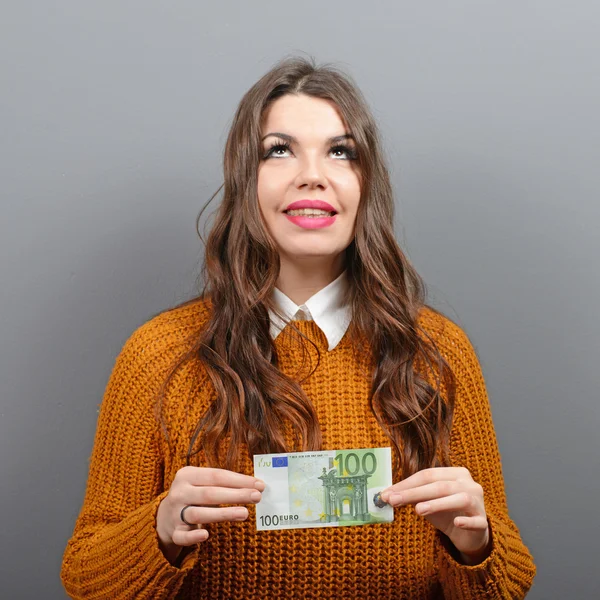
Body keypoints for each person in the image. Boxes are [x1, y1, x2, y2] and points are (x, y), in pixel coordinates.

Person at [60, 56, 536, 599]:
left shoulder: (437, 353)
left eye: (340, 151)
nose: (312, 174)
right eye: (279, 150)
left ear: (365, 182)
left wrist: (475, 545)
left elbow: (508, 584)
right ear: (246, 179)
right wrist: (161, 532)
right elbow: (84, 578)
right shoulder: (161, 354)